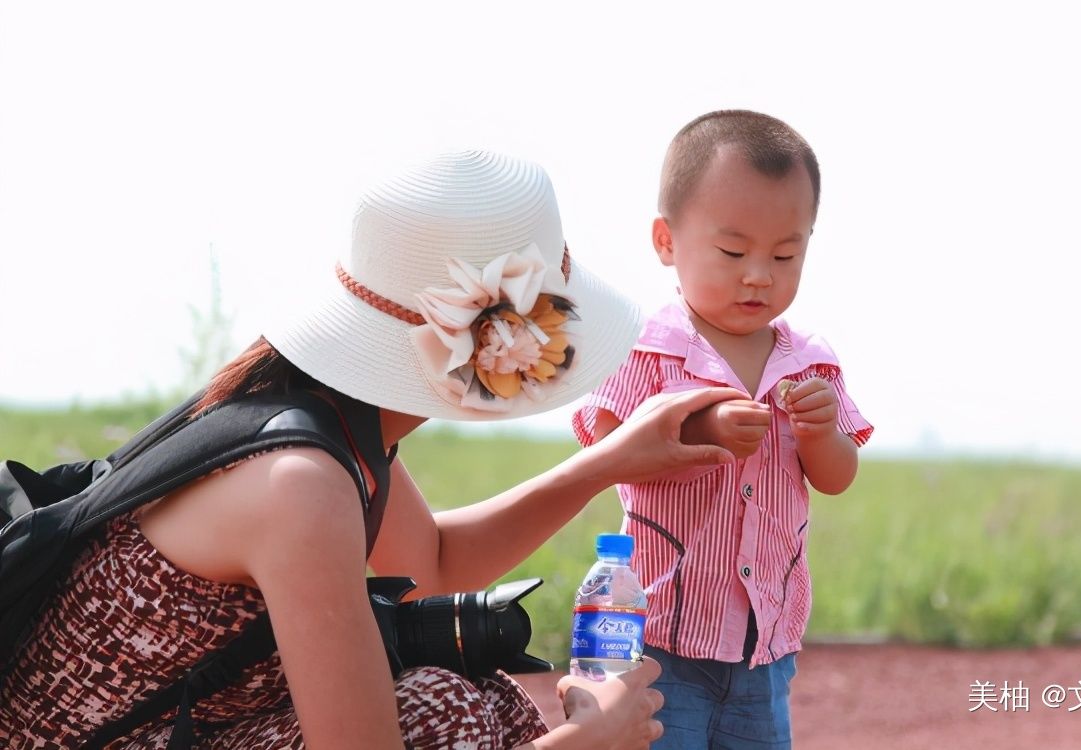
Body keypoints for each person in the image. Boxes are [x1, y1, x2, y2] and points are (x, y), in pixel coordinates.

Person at [0, 150, 749, 749]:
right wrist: (585, 742)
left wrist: (610, 463)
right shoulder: (301, 485)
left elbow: (428, 566)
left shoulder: (319, 426)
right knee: (446, 712)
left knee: (472, 695)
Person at [572, 110, 874, 748]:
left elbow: (838, 476)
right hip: (661, 638)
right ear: (666, 241)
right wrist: (692, 426)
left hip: (765, 647)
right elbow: (602, 449)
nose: (759, 273)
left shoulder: (810, 361)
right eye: (733, 251)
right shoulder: (648, 349)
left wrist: (822, 435)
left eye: (786, 253)